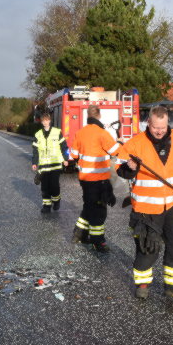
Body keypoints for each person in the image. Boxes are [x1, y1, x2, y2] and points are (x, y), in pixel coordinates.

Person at [116, 106, 173, 300]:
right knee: (148, 248)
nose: (160, 131)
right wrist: (130, 168)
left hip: (172, 203)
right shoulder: (136, 143)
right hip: (146, 207)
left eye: (163, 127)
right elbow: (120, 171)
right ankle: (142, 282)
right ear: (149, 123)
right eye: (155, 128)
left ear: (167, 123)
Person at [69, 105, 122, 252]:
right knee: (99, 210)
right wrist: (120, 142)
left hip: (85, 179)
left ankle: (78, 234)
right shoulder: (102, 133)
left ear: (88, 116)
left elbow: (73, 155)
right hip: (100, 179)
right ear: (99, 116)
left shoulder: (80, 133)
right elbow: (116, 151)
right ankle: (98, 241)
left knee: (89, 206)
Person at [32, 112, 69, 213]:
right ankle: (46, 206)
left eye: (47, 120)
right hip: (43, 166)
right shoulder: (38, 134)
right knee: (45, 187)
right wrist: (34, 162)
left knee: (54, 186)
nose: (45, 122)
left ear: (50, 120)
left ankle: (56, 201)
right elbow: (35, 150)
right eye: (43, 121)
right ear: (41, 121)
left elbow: (64, 147)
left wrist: (65, 158)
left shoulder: (57, 132)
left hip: (56, 164)